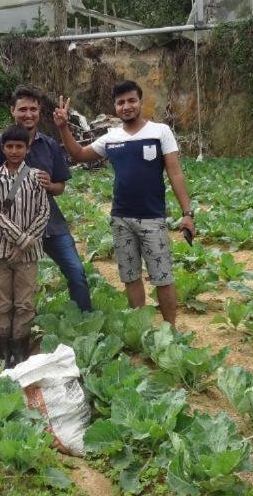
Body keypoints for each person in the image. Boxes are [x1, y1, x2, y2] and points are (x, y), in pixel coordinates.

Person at [53, 80, 196, 328]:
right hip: (121, 219)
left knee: (162, 276)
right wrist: (64, 127)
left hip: (152, 218)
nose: (126, 106)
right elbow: (79, 154)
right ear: (115, 107)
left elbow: (175, 173)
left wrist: (187, 213)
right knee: (130, 276)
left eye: (131, 101)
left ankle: (170, 329)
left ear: (141, 102)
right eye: (121, 102)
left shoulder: (160, 131)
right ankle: (140, 326)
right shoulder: (111, 137)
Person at [0, 85, 92, 312]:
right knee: (11, 285)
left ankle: (83, 324)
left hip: (49, 222)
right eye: (22, 109)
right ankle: (15, 334)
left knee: (76, 272)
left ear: (40, 111)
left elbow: (60, 186)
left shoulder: (49, 144)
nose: (28, 114)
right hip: (11, 229)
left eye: (33, 109)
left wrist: (49, 185)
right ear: (12, 111)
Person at [0, 125, 51, 367]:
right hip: (0, 252)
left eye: (19, 146)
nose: (14, 151)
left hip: (28, 255)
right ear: (2, 148)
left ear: (27, 148)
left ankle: (20, 351)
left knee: (25, 303)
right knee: (1, 303)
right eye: (9, 146)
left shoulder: (36, 177)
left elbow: (44, 212)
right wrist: (21, 240)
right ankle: (3, 352)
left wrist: (25, 244)